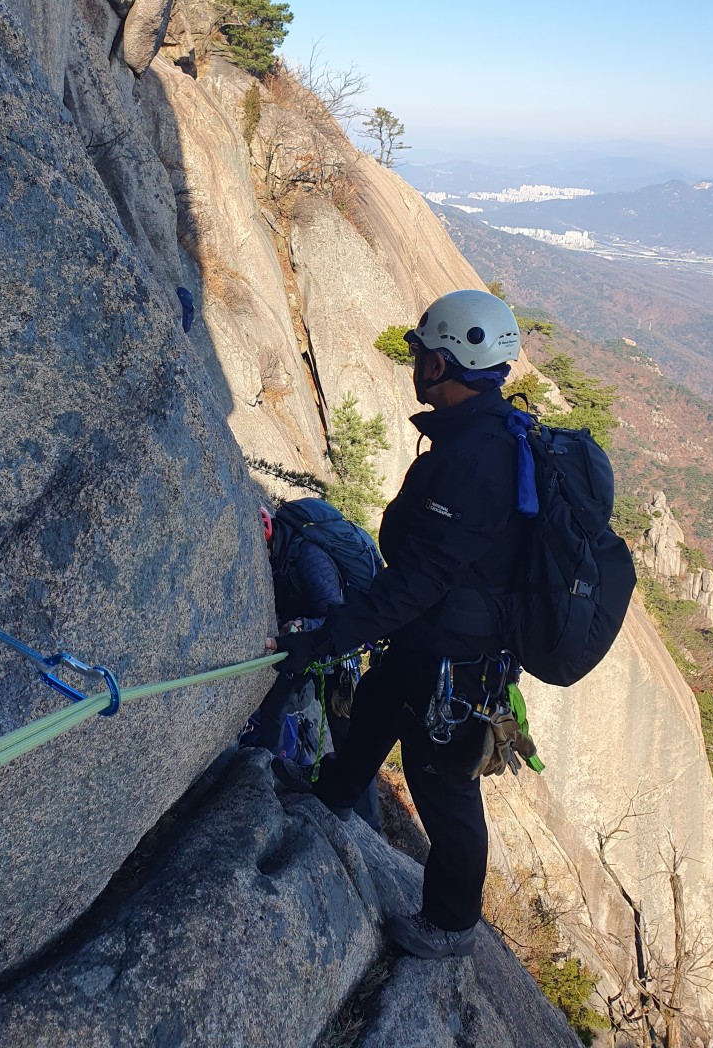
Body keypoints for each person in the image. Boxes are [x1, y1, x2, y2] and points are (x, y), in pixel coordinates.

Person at [268, 288, 526, 959]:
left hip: (458, 656)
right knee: (380, 703)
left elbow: (420, 578)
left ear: (444, 365)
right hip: (432, 637)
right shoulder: (478, 438)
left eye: (422, 354)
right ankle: (335, 790)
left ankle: (450, 924)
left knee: (442, 787)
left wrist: (324, 640)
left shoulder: (478, 459)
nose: (415, 364)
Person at [254, 505, 381, 831]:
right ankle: (257, 775)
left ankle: (370, 825)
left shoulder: (309, 557)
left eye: (264, 549)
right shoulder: (280, 558)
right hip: (303, 649)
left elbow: (336, 616)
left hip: (333, 655)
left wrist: (302, 624)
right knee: (272, 709)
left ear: (273, 537)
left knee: (347, 740)